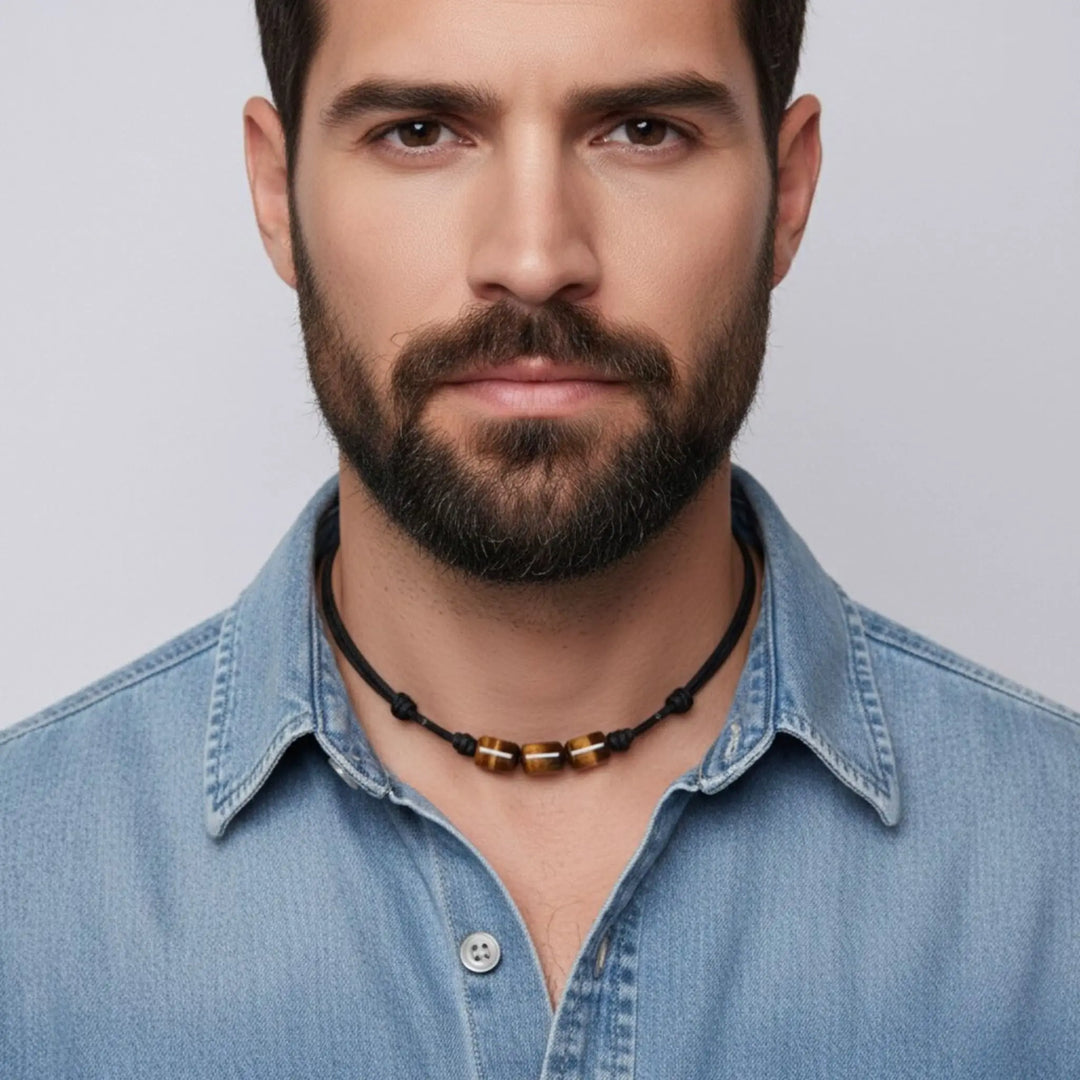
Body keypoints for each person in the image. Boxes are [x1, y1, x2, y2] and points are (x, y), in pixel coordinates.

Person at [2, 0, 1077, 1075]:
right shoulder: (28, 889)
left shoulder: (1053, 869)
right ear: (277, 195)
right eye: (419, 130)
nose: (532, 257)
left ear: (788, 189)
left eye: (643, 129)